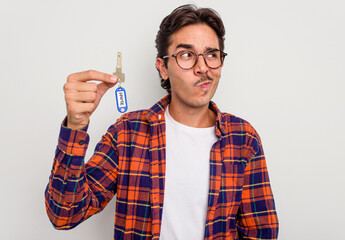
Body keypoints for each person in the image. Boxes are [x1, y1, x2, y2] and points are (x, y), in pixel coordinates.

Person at [45, 4, 279, 240]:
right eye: (186, 55)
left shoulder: (243, 138)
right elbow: (64, 215)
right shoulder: (127, 133)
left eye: (211, 55)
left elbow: (261, 234)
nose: (202, 68)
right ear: (163, 68)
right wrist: (75, 126)